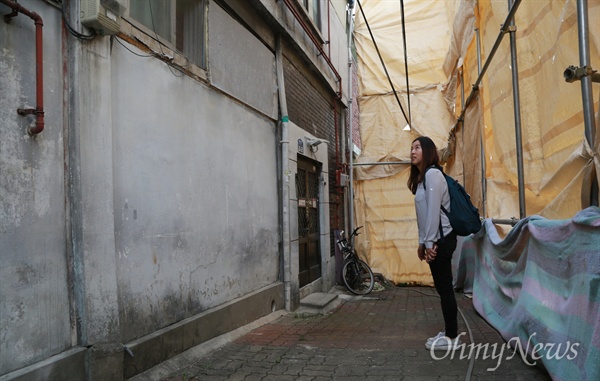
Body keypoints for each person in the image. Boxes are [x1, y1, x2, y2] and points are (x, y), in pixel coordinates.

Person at [408, 136, 461, 351]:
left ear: (428, 151)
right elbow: (422, 215)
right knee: (442, 288)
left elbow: (433, 215)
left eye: (417, 147)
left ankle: (452, 338)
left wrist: (430, 243)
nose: (412, 151)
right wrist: (422, 242)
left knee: (445, 288)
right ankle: (450, 332)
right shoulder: (422, 179)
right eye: (411, 148)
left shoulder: (433, 175)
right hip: (433, 240)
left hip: (442, 240)